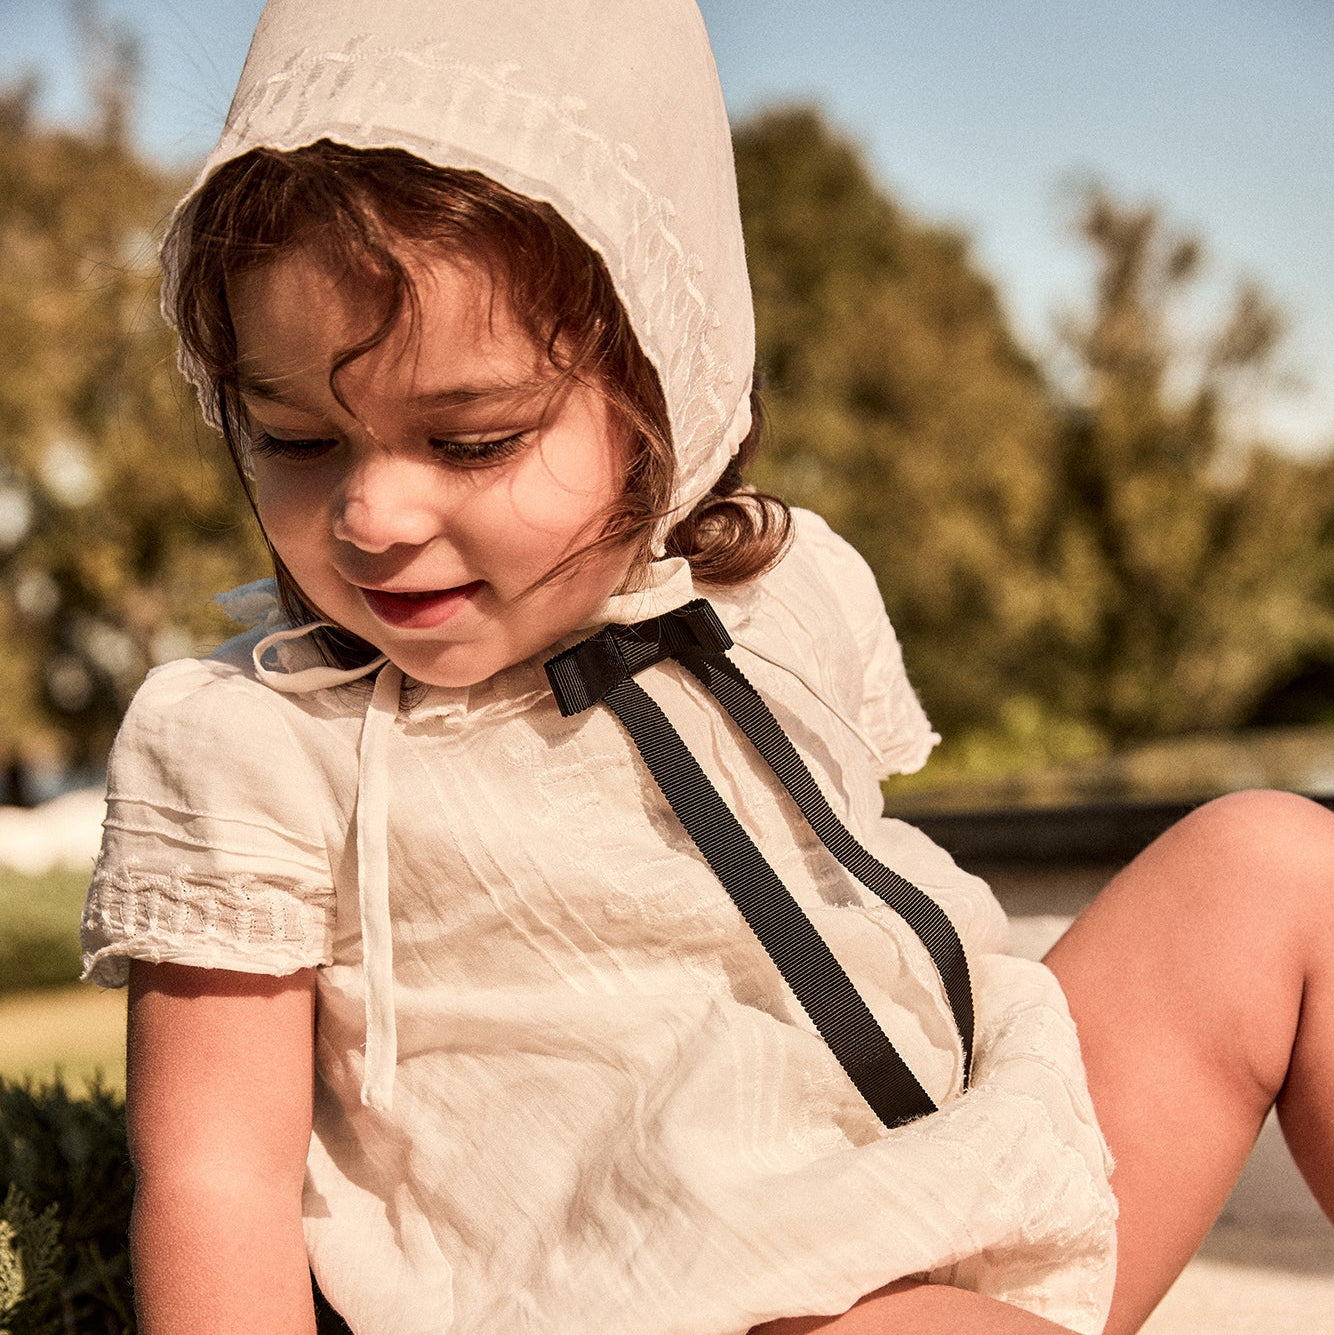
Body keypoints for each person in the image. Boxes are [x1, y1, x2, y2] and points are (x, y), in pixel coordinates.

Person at [80, 1, 1334, 1332]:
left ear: (662, 390)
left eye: (472, 440)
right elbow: (217, 1181)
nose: (371, 516)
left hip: (961, 1174)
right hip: (695, 1294)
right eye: (295, 440)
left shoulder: (773, 594)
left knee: (1273, 866)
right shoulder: (255, 739)